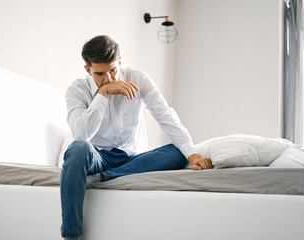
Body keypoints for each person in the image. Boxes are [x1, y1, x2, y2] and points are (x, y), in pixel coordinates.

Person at [60, 35, 213, 240]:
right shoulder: (77, 90)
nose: (109, 78)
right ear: (87, 70)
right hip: (96, 157)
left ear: (120, 61)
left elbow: (165, 115)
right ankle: (72, 236)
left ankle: (107, 177)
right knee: (78, 148)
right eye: (100, 74)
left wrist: (193, 155)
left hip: (131, 157)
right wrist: (103, 93)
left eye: (113, 70)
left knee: (178, 152)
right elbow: (80, 134)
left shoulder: (138, 78)